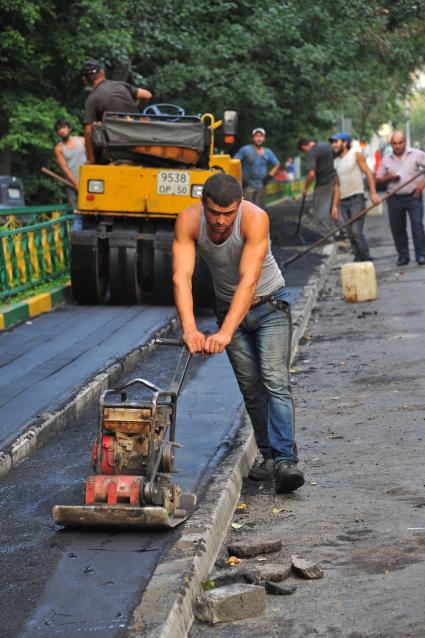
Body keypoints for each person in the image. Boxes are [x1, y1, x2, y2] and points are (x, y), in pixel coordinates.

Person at [172, 173, 304, 494]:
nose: (220, 221)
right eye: (214, 212)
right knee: (250, 387)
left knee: (275, 380)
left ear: (239, 205)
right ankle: (270, 456)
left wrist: (225, 332)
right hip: (227, 308)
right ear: (204, 204)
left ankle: (286, 460)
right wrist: (190, 329)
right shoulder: (188, 221)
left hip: (269, 304)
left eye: (228, 213)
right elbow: (181, 277)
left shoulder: (255, 218)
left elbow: (248, 280)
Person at [82, 59, 152, 163]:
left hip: (116, 146)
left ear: (85, 80)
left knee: (95, 134)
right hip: (139, 138)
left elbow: (88, 131)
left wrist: (91, 159)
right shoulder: (121, 85)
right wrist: (136, 112)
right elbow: (147, 95)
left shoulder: (92, 99)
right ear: (102, 72)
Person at [376, 131, 425, 266]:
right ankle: (403, 256)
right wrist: (389, 178)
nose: (397, 146)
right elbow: (378, 179)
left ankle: (421, 255)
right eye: (394, 143)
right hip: (394, 198)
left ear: (405, 142)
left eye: (400, 143)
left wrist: (422, 184)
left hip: (414, 196)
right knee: (397, 228)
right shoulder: (386, 159)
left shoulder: (416, 154)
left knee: (417, 226)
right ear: (391, 144)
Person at [330, 132, 380, 262]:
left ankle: (366, 258)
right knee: (349, 232)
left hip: (357, 199)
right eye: (333, 142)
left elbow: (369, 173)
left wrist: (373, 193)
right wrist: (335, 206)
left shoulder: (356, 155)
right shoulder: (336, 161)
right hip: (343, 202)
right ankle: (358, 259)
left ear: (345, 143)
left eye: (336, 142)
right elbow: (337, 184)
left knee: (356, 231)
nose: (333, 145)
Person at [297, 138, 336, 235]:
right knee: (334, 206)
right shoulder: (326, 145)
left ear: (304, 147)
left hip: (324, 182)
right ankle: (342, 231)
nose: (306, 152)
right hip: (335, 179)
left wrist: (305, 188)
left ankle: (324, 234)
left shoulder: (312, 151)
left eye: (304, 150)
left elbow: (311, 174)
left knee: (320, 208)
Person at [234, 128, 280, 209]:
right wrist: (241, 178)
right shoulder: (245, 149)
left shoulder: (267, 152)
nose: (259, 138)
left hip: (261, 184)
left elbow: (277, 164)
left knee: (260, 209)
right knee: (248, 209)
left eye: (261, 136)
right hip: (248, 184)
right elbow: (234, 162)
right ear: (253, 138)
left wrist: (269, 177)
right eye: (256, 136)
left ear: (264, 138)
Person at [54, 119, 86, 207]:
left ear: (69, 129)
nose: (61, 131)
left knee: (91, 208)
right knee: (75, 211)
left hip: (88, 182)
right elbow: (65, 169)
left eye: (63, 127)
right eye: (59, 129)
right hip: (71, 184)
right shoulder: (59, 148)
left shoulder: (82, 141)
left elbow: (92, 159)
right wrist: (76, 184)